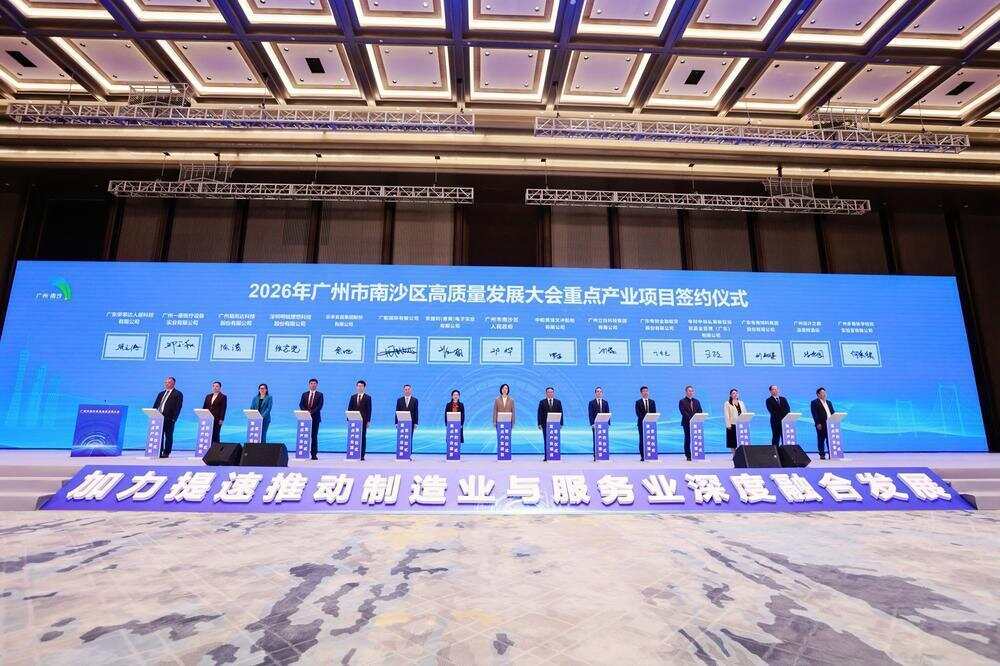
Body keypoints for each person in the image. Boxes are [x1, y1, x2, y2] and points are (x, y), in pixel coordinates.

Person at [153, 376, 183, 458]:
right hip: (158, 417)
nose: (167, 384)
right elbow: (155, 405)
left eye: (169, 382)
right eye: (166, 382)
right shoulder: (161, 394)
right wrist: (153, 414)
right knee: (159, 435)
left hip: (169, 418)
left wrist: (174, 419)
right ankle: (159, 451)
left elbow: (178, 407)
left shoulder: (178, 394)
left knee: (168, 436)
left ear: (173, 383)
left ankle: (166, 452)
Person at [298, 378, 324, 460]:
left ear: (317, 385)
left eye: (314, 383)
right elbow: (301, 404)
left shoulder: (320, 395)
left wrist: (311, 412)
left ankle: (314, 454)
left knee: (314, 436)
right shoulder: (304, 394)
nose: (313, 385)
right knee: (304, 436)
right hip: (305, 418)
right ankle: (303, 453)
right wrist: (306, 412)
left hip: (315, 418)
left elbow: (319, 406)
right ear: (309, 385)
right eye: (311, 383)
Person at [536, 386, 563, 461]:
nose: (550, 393)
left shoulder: (558, 402)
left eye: (551, 392)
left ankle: (555, 456)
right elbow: (539, 413)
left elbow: (561, 412)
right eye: (548, 392)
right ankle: (547, 456)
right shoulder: (542, 402)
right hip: (545, 424)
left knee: (555, 440)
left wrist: (561, 423)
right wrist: (539, 424)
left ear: (553, 393)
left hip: (555, 424)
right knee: (546, 440)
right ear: (546, 393)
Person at [348, 379, 373, 460]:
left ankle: (362, 455)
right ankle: (353, 454)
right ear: (356, 387)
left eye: (361, 386)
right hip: (354, 421)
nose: (360, 387)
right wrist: (349, 419)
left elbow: (369, 410)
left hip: (363, 421)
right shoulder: (353, 397)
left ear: (364, 387)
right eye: (358, 386)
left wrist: (368, 421)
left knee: (362, 437)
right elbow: (350, 408)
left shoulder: (368, 397)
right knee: (353, 437)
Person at [677, 385, 702, 461]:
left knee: (697, 438)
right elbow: (683, 412)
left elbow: (700, 411)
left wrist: (697, 418)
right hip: (686, 423)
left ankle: (697, 453)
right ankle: (688, 455)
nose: (691, 392)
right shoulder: (682, 401)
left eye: (692, 391)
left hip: (696, 424)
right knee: (688, 438)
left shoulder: (696, 401)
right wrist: (691, 419)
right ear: (686, 392)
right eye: (689, 391)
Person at [810, 387, 836, 460]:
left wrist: (835, 418)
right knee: (821, 439)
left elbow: (832, 412)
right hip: (821, 424)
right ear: (818, 394)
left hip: (830, 424)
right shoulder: (814, 402)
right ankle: (822, 454)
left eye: (825, 393)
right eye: (822, 393)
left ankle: (831, 453)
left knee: (830, 439)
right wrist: (817, 423)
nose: (824, 394)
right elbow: (814, 414)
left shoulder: (829, 402)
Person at [634, 386, 657, 461]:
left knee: (651, 439)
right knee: (642, 439)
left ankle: (651, 454)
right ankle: (643, 456)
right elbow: (638, 414)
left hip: (651, 424)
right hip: (641, 424)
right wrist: (646, 419)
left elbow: (654, 413)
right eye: (644, 391)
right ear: (641, 393)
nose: (645, 392)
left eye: (647, 391)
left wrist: (650, 419)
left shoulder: (652, 402)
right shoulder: (638, 402)